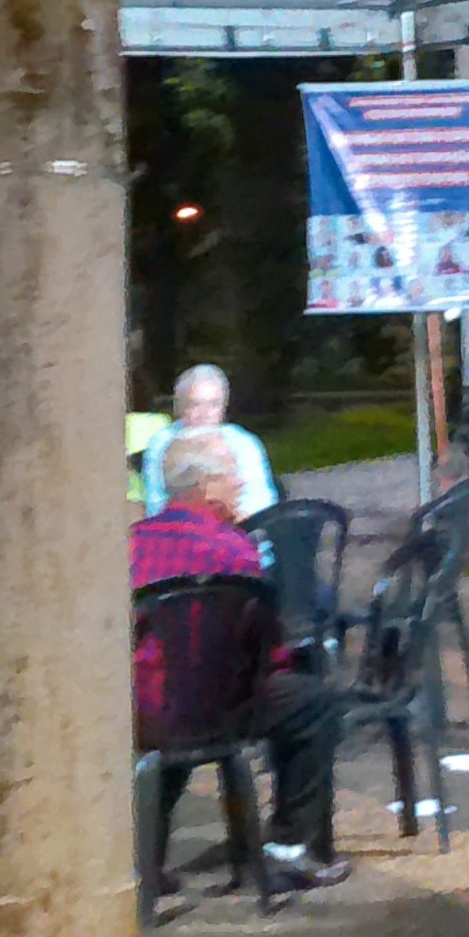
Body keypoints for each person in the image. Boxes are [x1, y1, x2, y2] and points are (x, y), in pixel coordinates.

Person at [130, 429, 346, 891]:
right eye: (232, 474)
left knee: (169, 708)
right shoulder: (233, 549)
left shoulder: (130, 545)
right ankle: (291, 843)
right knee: (313, 701)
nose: (241, 483)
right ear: (206, 487)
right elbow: (265, 648)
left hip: (141, 713)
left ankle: (144, 859)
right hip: (222, 709)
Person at [138, 362, 277, 519]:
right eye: (195, 404)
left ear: (224, 407)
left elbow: (260, 500)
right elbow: (155, 503)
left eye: (214, 404)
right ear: (178, 407)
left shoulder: (243, 442)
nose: (204, 413)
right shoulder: (162, 443)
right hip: (181, 526)